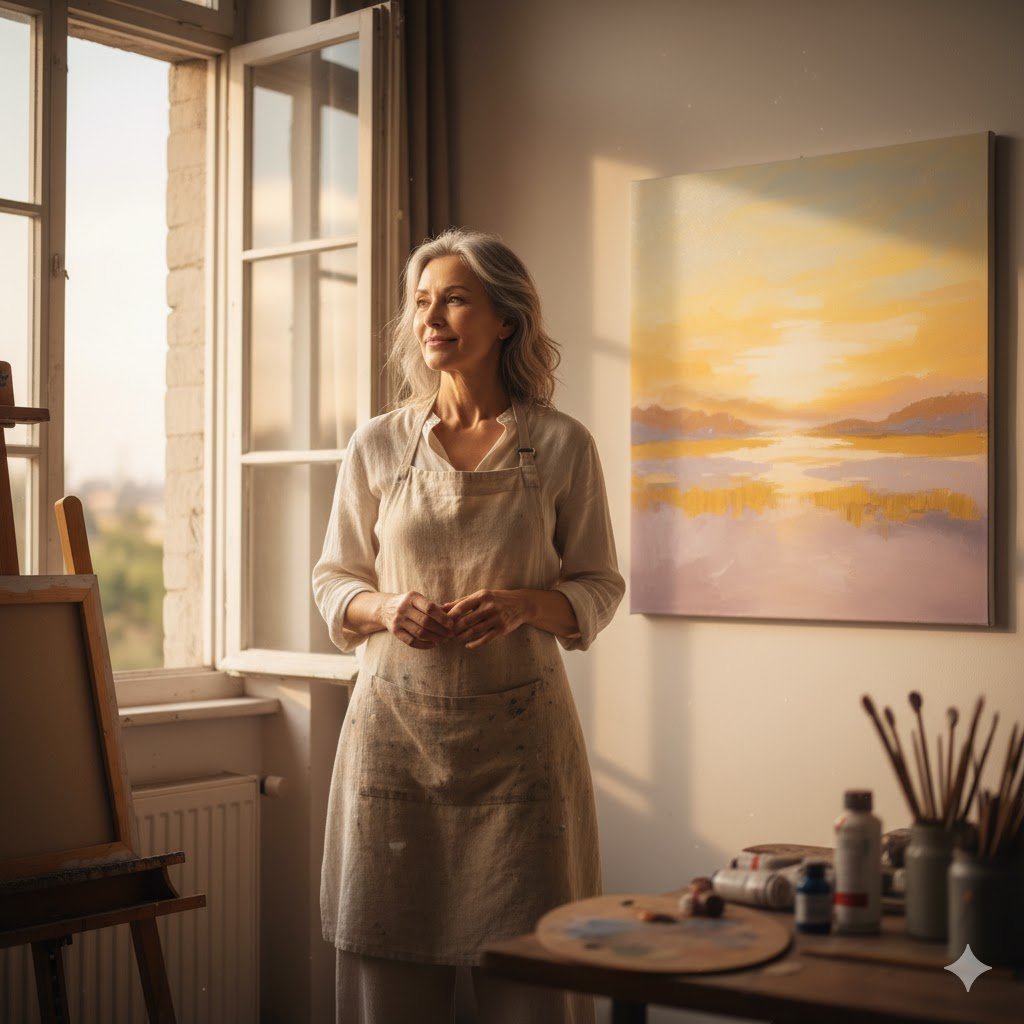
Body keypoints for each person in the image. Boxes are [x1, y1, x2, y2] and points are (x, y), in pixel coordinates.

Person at [313, 227, 625, 1023]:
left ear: (506, 319)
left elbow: (597, 585)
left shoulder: (560, 446)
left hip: (521, 756)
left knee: (531, 978)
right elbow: (332, 579)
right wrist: (385, 606)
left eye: (455, 298)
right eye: (423, 301)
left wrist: (525, 604)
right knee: (389, 967)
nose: (432, 317)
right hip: (395, 747)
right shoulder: (377, 445)